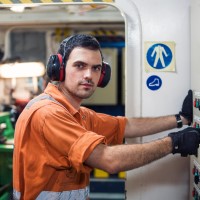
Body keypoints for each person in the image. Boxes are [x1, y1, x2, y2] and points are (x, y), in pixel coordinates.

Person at [13, 34, 200, 200]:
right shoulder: (48, 114)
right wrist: (173, 143)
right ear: (58, 69)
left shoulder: (78, 114)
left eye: (96, 68)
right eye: (80, 65)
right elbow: (109, 160)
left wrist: (180, 119)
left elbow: (126, 126)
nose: (88, 75)